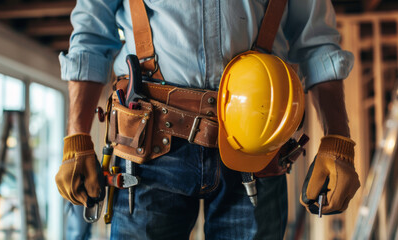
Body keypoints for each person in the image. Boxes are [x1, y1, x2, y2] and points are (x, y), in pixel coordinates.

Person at [55, 0, 361, 239]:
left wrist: (337, 140)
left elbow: (318, 45)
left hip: (257, 146)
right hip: (149, 146)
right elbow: (91, 38)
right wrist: (77, 139)